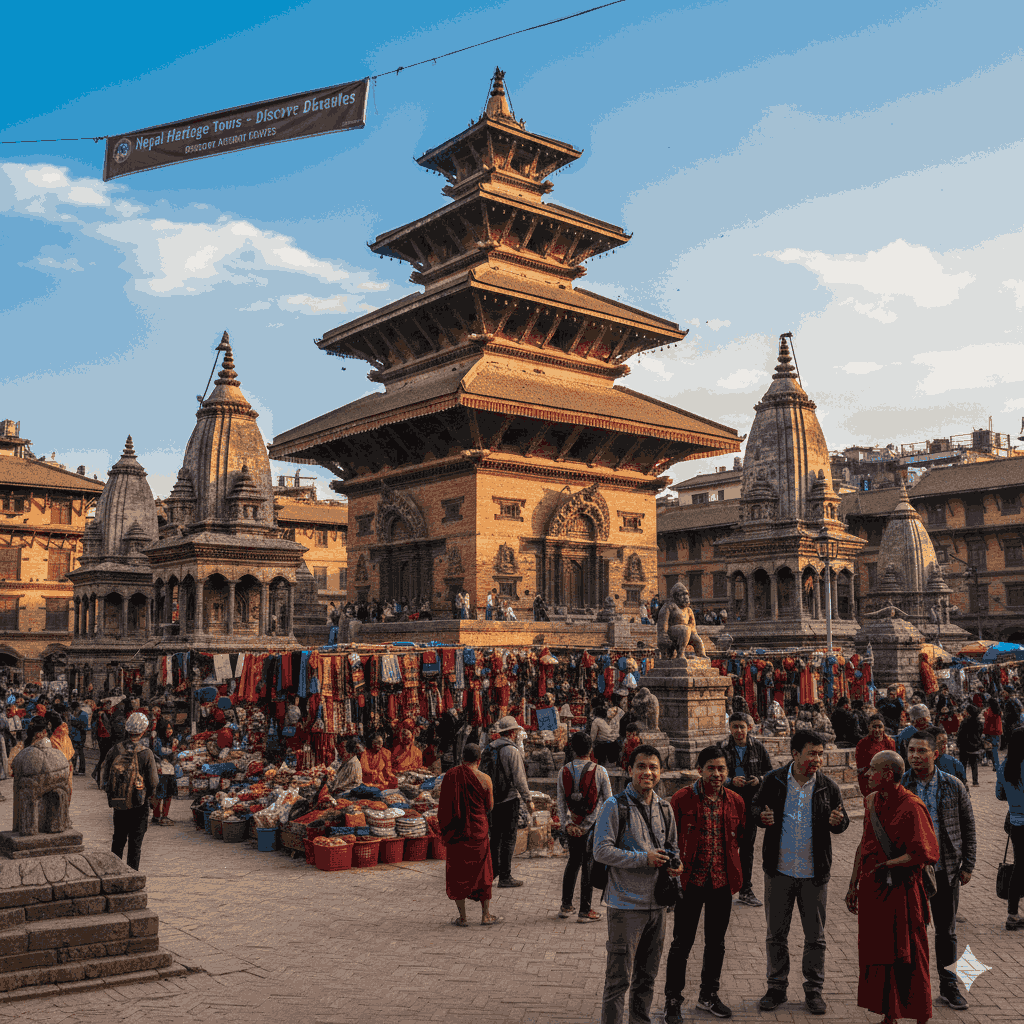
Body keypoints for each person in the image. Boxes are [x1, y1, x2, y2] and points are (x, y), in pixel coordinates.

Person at [750, 729, 850, 1016]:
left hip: (814, 873)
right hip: (779, 870)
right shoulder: (775, 780)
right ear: (795, 754)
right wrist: (761, 816)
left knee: (815, 937)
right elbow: (755, 805)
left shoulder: (828, 787)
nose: (817, 759)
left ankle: (814, 989)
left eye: (820, 754)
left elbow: (840, 821)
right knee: (776, 935)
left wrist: (838, 822)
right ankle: (776, 987)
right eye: (812, 754)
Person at [845, 748, 939, 1024]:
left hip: (903, 892)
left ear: (887, 774)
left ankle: (919, 1014)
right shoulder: (872, 801)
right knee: (879, 954)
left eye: (873, 769)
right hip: (875, 892)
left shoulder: (912, 806)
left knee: (910, 955)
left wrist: (889, 865)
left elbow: (924, 853)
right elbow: (863, 845)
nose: (867, 773)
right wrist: (853, 885)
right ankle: (889, 1014)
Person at [594, 744, 682, 1024]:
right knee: (618, 980)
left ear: (660, 773)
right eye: (642, 766)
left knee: (647, 978)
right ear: (629, 770)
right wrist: (644, 858)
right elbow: (601, 850)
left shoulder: (665, 808)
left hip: (658, 907)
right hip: (625, 906)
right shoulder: (614, 805)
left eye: (653, 767)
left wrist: (674, 864)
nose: (648, 772)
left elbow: (673, 847)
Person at [664, 745, 746, 1021]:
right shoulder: (682, 799)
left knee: (716, 943)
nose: (717, 773)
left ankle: (708, 995)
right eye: (711, 768)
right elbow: (668, 839)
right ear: (699, 770)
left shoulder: (735, 801)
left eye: (721, 768)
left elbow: (741, 839)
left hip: (721, 883)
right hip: (689, 884)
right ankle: (672, 1000)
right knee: (681, 944)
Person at [901, 730, 975, 1009]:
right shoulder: (901, 785)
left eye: (921, 751)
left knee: (946, 932)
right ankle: (912, 987)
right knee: (910, 930)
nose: (915, 756)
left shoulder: (953, 786)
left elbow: (968, 826)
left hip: (946, 869)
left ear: (936, 754)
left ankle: (949, 986)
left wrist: (968, 864)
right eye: (911, 751)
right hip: (910, 871)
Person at [438, 743, 501, 926]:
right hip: (478, 831)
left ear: (461, 758)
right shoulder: (485, 779)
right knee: (484, 873)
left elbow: (443, 806)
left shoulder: (451, 776)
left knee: (457, 872)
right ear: (479, 760)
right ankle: (485, 915)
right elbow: (489, 806)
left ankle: (463, 917)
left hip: (456, 832)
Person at [556, 731, 611, 923]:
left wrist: (567, 824)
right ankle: (585, 910)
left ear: (572, 749)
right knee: (588, 865)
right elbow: (608, 802)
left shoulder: (563, 771)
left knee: (573, 863)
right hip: (592, 825)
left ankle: (566, 905)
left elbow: (560, 802)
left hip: (572, 825)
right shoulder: (600, 771)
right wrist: (591, 823)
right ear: (591, 749)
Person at [718, 712, 771, 907]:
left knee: (747, 849)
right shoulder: (722, 748)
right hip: (728, 804)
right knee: (726, 846)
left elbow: (769, 772)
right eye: (735, 727)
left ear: (749, 727)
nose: (738, 731)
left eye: (742, 726)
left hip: (751, 803)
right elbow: (715, 772)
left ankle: (745, 890)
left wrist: (760, 780)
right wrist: (731, 781)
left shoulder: (758, 747)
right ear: (730, 728)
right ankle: (723, 888)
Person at [101, 711, 159, 871]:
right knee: (135, 843)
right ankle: (132, 876)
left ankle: (114, 873)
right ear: (143, 731)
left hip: (119, 804)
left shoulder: (114, 750)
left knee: (118, 840)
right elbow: (154, 781)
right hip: (139, 804)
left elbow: (104, 778)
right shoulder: (146, 753)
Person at [487, 716, 534, 888]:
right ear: (513, 732)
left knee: (495, 838)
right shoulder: (511, 751)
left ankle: (492, 873)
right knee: (508, 838)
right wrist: (528, 799)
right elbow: (520, 779)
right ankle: (505, 876)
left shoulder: (491, 747)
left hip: (493, 800)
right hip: (509, 799)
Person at [996, 726, 1024, 930]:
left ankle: (1012, 914)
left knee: (1020, 867)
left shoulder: (1004, 766)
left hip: (1016, 823)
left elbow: (999, 794)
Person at [856, 715, 897, 798]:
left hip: (887, 784)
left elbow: (894, 765)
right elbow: (861, 769)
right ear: (869, 727)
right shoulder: (862, 744)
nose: (877, 730)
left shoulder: (890, 742)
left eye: (880, 727)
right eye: (874, 727)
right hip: (870, 785)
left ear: (884, 728)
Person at [151, 722, 178, 825]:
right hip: (161, 770)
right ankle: (157, 816)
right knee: (159, 794)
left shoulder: (172, 740)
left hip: (170, 770)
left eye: (170, 728)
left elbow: (174, 756)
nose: (169, 731)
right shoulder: (157, 740)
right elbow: (159, 752)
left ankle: (164, 815)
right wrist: (172, 749)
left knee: (168, 794)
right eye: (167, 729)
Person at [956, 705, 984, 787]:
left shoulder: (965, 721)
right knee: (974, 764)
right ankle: (975, 781)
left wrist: (958, 743)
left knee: (963, 763)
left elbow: (960, 734)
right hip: (975, 745)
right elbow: (980, 733)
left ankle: (963, 780)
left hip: (964, 745)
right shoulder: (979, 722)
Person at [66, 701, 88, 775]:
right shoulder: (77, 714)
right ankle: (74, 769)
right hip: (74, 736)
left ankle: (81, 769)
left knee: (80, 753)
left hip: (80, 736)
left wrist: (73, 721)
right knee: (75, 753)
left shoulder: (83, 715)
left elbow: (83, 726)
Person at [984, 697, 1003, 771]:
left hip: (990, 732)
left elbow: (987, 719)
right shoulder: (998, 710)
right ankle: (996, 765)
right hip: (997, 732)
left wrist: (985, 713)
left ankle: (996, 765)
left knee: (991, 749)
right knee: (994, 749)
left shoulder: (990, 711)